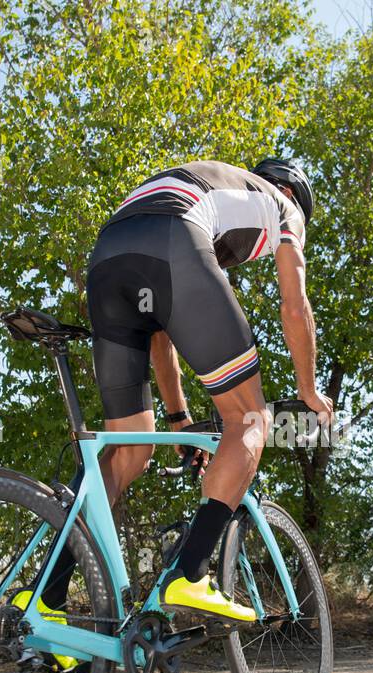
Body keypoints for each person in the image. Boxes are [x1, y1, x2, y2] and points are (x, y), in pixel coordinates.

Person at [83, 158, 333, 620]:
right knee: (250, 419)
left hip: (106, 257)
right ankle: (190, 575)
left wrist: (178, 421)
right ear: (294, 192)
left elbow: (158, 327)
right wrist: (308, 388)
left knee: (128, 452)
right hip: (173, 238)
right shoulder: (284, 207)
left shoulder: (210, 189)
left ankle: (45, 598)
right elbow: (295, 307)